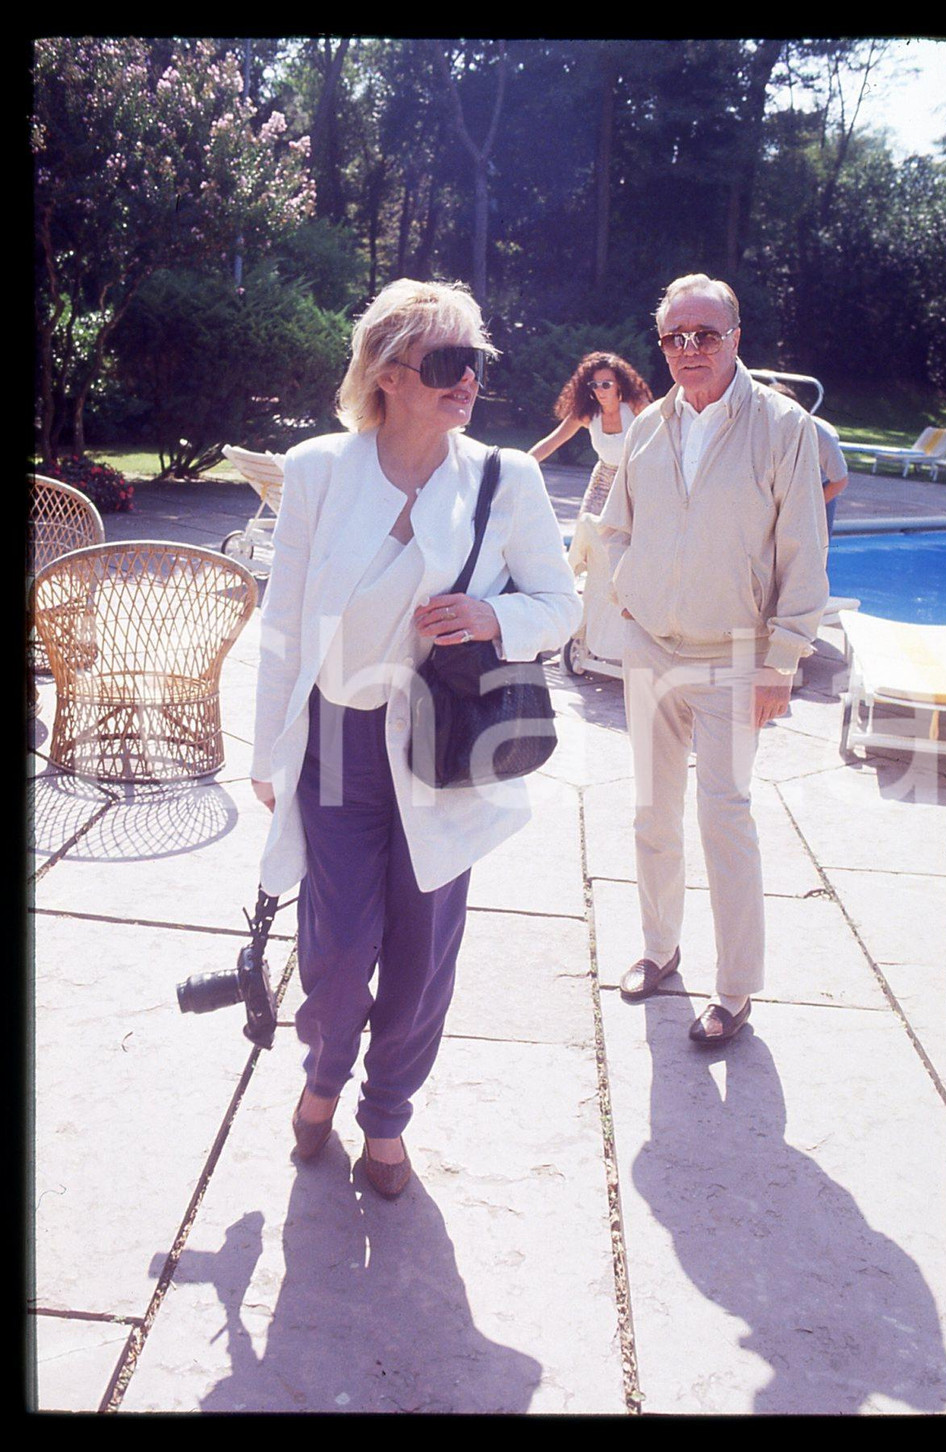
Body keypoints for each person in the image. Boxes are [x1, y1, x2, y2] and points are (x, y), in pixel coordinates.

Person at [251, 279, 581, 1196]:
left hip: (444, 749)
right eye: (445, 363)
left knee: (424, 945)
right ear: (388, 373)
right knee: (337, 949)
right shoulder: (319, 468)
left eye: (474, 363)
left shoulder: (504, 480)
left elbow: (563, 606)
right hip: (332, 742)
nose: (465, 381)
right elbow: (285, 620)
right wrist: (265, 755)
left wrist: (490, 615)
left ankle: (386, 1117)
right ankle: (323, 1074)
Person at [600, 273, 828, 1044]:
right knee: (650, 811)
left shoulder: (784, 428)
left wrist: (783, 658)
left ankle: (734, 991)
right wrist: (630, 590)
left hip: (737, 655)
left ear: (738, 337)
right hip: (652, 648)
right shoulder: (647, 426)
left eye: (706, 334)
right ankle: (660, 950)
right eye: (675, 336)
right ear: (661, 344)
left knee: (724, 817)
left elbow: (802, 547)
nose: (690, 348)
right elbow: (613, 526)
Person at [529, 352, 653, 517]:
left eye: (606, 385)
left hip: (636, 482)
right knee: (588, 531)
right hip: (602, 484)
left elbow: (665, 433)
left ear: (619, 385)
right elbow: (551, 442)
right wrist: (518, 466)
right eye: (595, 385)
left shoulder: (636, 407)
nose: (600, 391)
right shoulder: (587, 414)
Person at [768, 381, 849, 540]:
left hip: (821, 484)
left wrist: (808, 509)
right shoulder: (760, 426)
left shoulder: (817, 434)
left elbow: (840, 480)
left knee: (816, 546)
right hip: (785, 481)